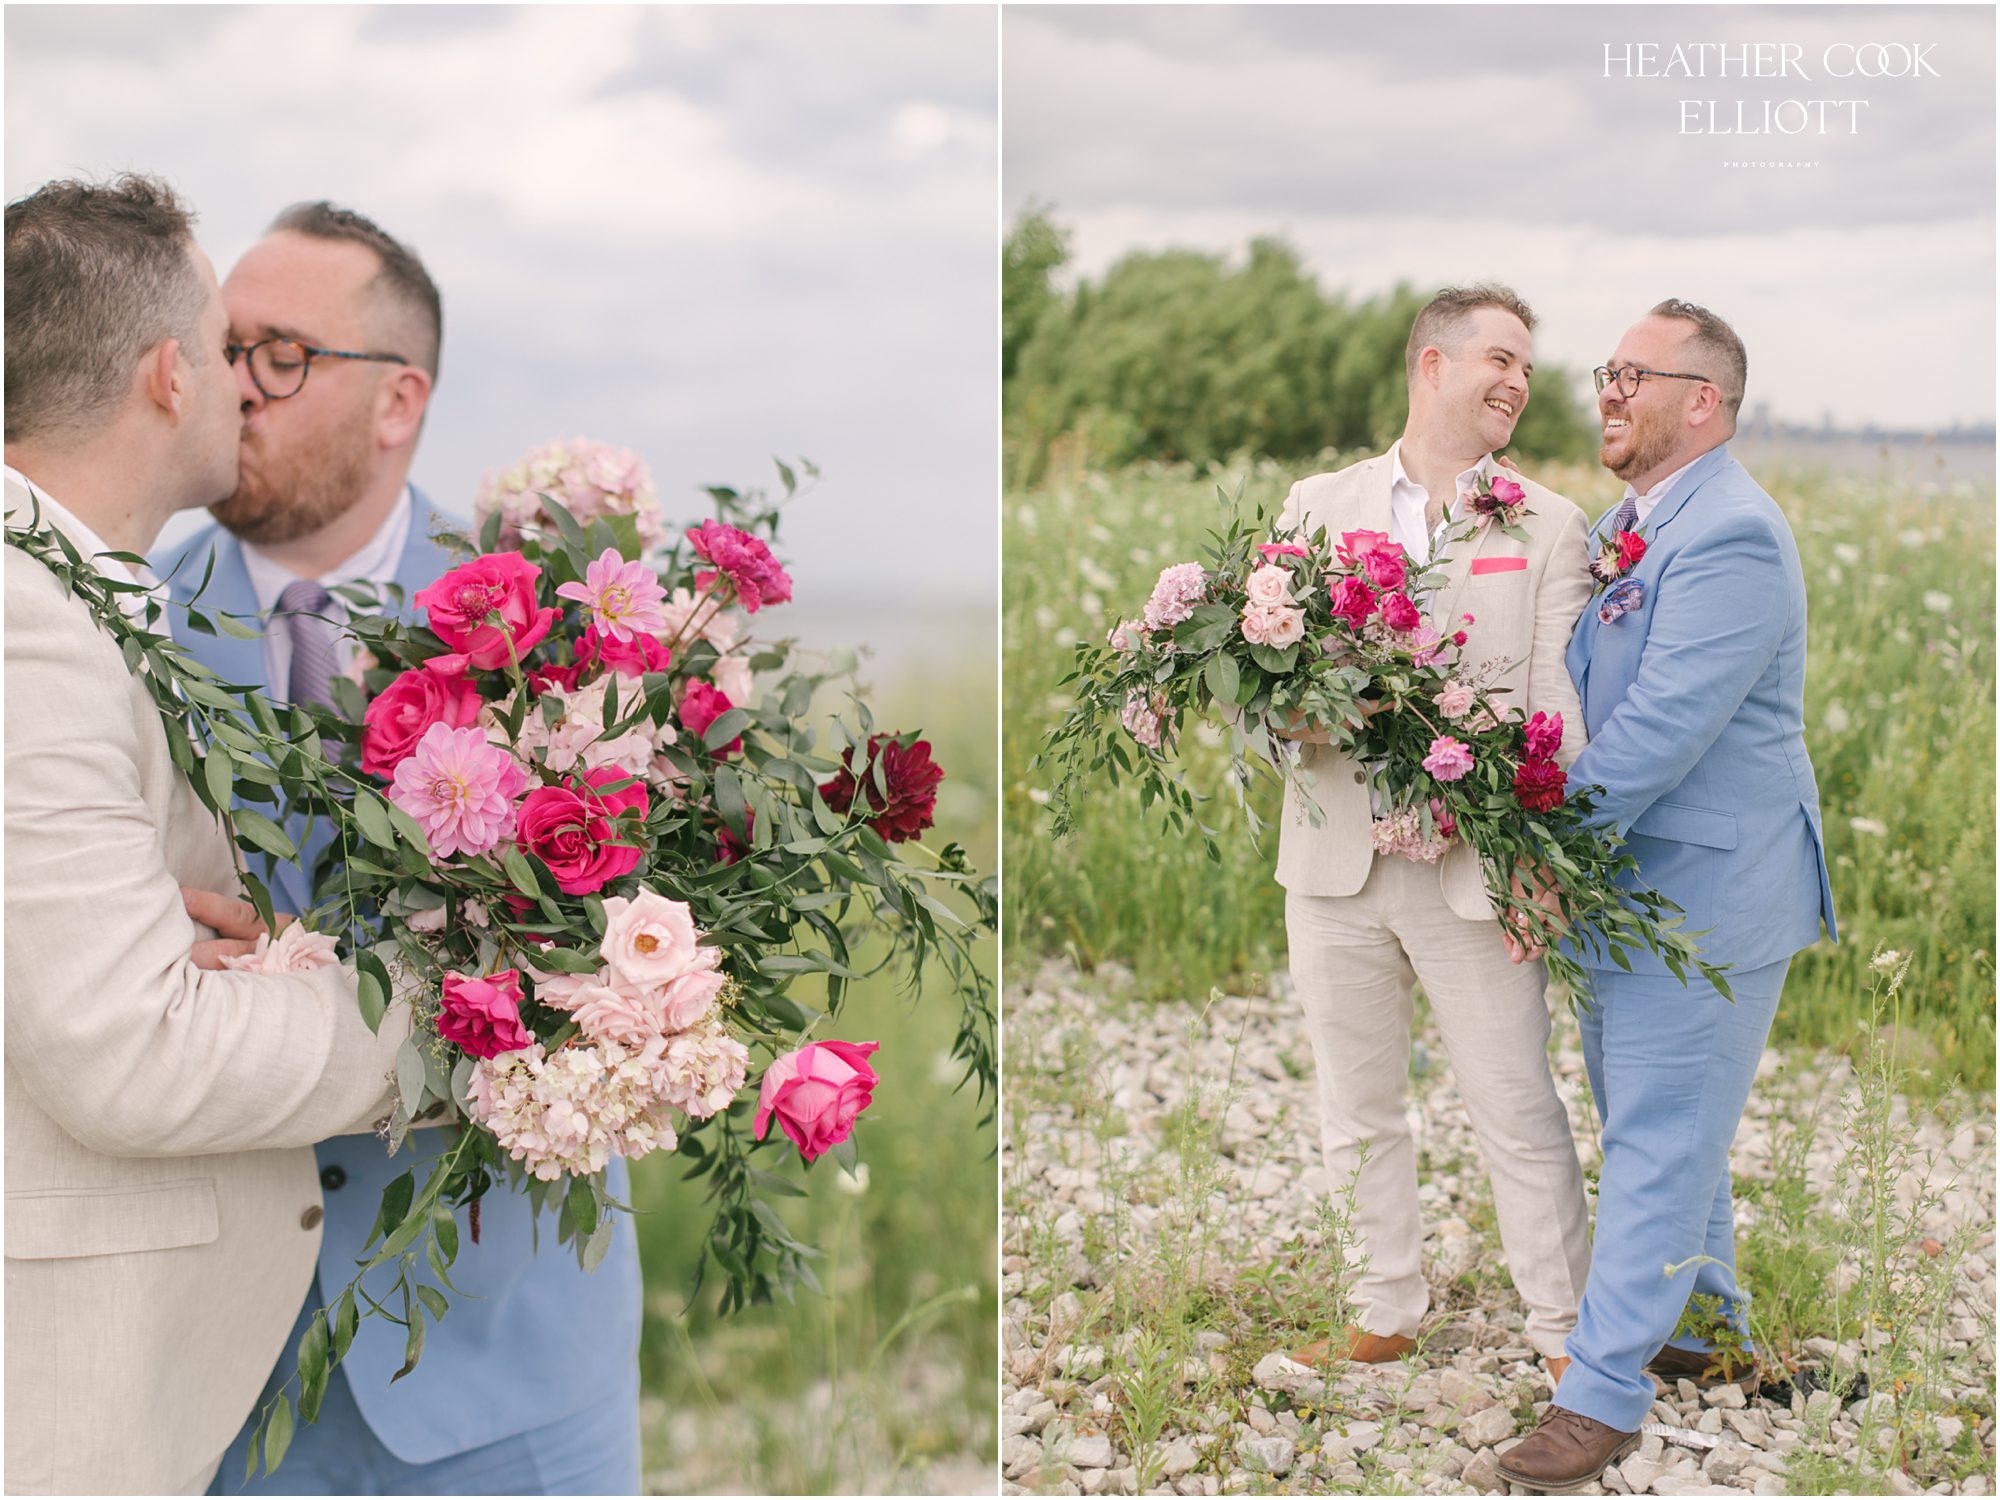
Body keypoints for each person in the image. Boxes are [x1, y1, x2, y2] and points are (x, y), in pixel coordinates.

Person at [158, 201, 644, 1495]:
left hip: (512, 1358)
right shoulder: (121, 620)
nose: (234, 389)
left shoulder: (561, 633)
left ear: (398, 401)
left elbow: (628, 953)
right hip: (221, 1382)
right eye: (219, 348)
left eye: (280, 356)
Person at [3, 175, 407, 1495]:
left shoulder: (73, 592)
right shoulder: (28, 625)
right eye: (230, 347)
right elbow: (132, 1052)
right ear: (171, 377)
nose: (249, 386)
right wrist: (457, 1025)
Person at [1496, 301, 1839, 1492]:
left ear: (1701, 401)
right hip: (1628, 884)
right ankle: (1706, 1332)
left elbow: (1655, 732)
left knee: (1653, 1135)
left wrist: (1540, 850)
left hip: (1705, 891)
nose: (1606, 389)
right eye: (1607, 369)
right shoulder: (1626, 525)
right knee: (1663, 1121)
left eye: (1631, 374)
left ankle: (1597, 1396)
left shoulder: (1732, 536)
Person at [1270, 285, 1595, 1380]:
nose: (1517, 382)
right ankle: (1384, 1307)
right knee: (1355, 1102)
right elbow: (1263, 680)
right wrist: (1293, 715)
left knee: (1515, 1102)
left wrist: (1537, 859)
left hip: (1476, 868)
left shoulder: (1548, 523)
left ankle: (1566, 1332)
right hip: (1333, 863)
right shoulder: (1316, 503)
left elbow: (1557, 713)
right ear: (1432, 364)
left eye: (1527, 369)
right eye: (1500, 359)